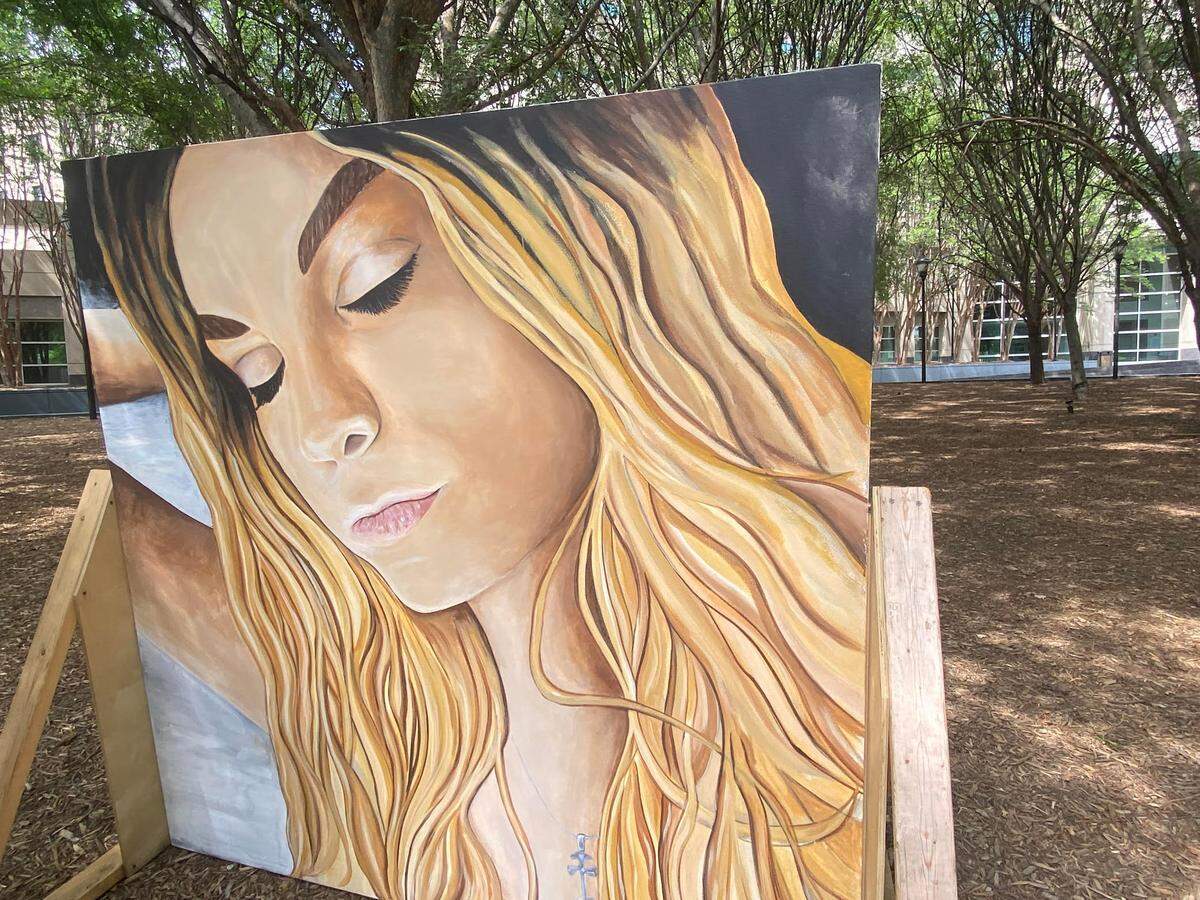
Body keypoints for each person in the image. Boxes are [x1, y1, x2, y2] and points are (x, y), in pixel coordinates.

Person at [80, 83, 870, 899]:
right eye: (258, 374)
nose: (322, 425)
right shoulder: (377, 710)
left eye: (376, 286)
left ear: (584, 243)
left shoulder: (823, 666)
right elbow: (144, 547)